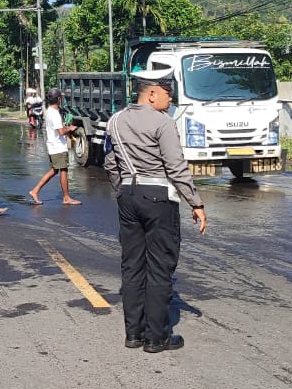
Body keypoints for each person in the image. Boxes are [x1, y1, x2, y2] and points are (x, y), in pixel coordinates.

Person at [104, 69, 207, 353]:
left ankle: (134, 334)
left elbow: (110, 164)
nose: (170, 100)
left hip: (128, 195)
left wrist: (124, 190)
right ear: (151, 93)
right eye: (167, 94)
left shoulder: (115, 121)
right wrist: (195, 203)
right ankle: (156, 338)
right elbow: (176, 167)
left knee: (132, 265)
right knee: (160, 268)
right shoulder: (163, 123)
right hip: (159, 198)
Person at [28, 88, 81, 206]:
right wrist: (70, 128)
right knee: (63, 170)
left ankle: (35, 191)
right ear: (59, 99)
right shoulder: (55, 114)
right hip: (57, 146)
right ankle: (66, 197)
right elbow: (61, 132)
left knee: (55, 170)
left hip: (52, 145)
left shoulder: (49, 111)